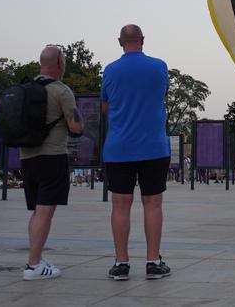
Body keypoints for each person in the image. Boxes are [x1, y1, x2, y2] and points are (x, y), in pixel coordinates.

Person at [102, 25, 171, 281]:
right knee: (152, 204)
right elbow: (161, 95)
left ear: (120, 42)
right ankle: (153, 262)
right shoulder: (159, 66)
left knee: (120, 205)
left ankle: (121, 264)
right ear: (143, 40)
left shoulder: (109, 70)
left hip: (119, 148)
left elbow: (106, 106)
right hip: (153, 146)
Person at [20, 45, 83, 280]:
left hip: (27, 158)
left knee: (37, 211)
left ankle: (35, 258)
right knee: (46, 211)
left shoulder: (26, 89)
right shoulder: (61, 91)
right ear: (59, 63)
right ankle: (34, 264)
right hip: (52, 156)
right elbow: (75, 126)